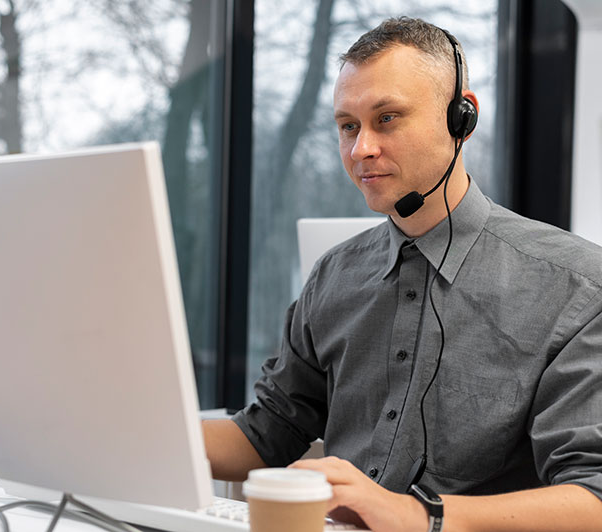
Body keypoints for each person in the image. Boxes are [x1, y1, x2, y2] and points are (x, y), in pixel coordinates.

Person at [203, 17, 602, 532]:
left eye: (386, 118)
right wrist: (123, 432)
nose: (360, 149)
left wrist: (418, 515)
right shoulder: (335, 275)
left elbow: (594, 496)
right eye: (348, 126)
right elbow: (265, 435)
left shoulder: (577, 286)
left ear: (462, 118)